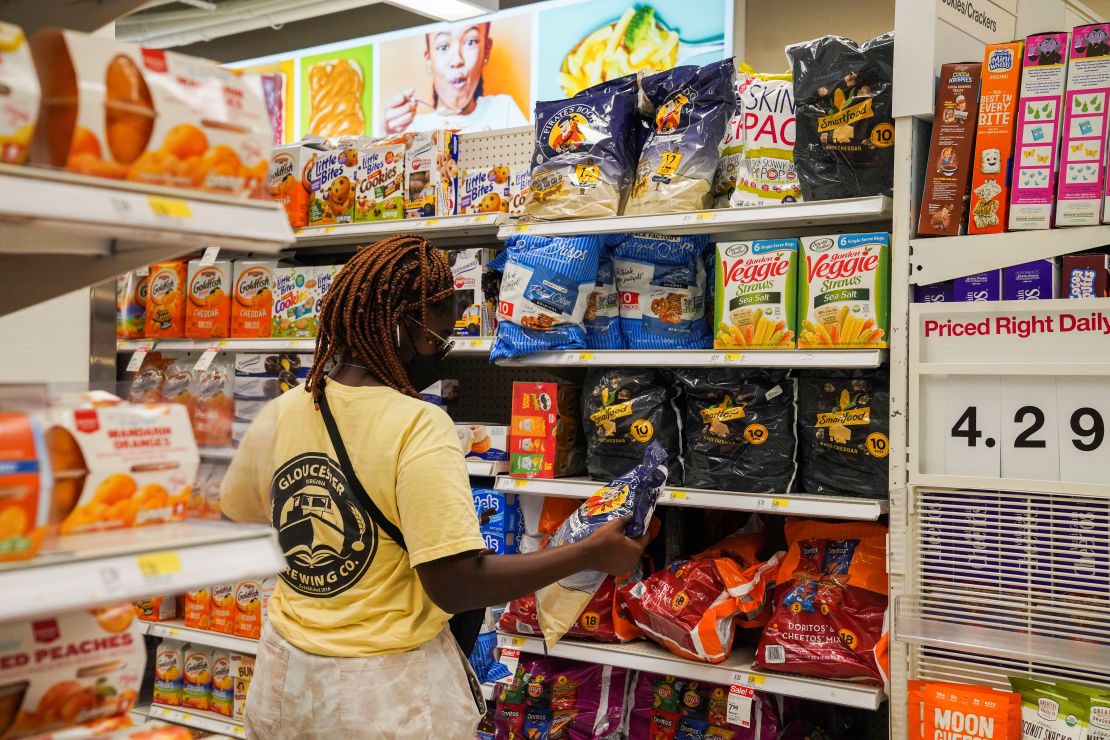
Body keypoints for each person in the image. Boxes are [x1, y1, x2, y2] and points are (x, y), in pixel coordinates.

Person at [220, 235, 649, 739]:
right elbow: (455, 584)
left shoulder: (284, 409)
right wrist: (588, 553)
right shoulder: (417, 425)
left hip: (282, 676)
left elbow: (236, 527)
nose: (440, 353)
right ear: (400, 325)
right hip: (379, 693)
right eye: (437, 338)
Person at [383, 21, 527, 134]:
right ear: (428, 59)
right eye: (443, 46)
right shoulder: (411, 129)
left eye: (470, 42)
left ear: (486, 50)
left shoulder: (503, 110)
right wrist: (385, 134)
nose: (457, 60)